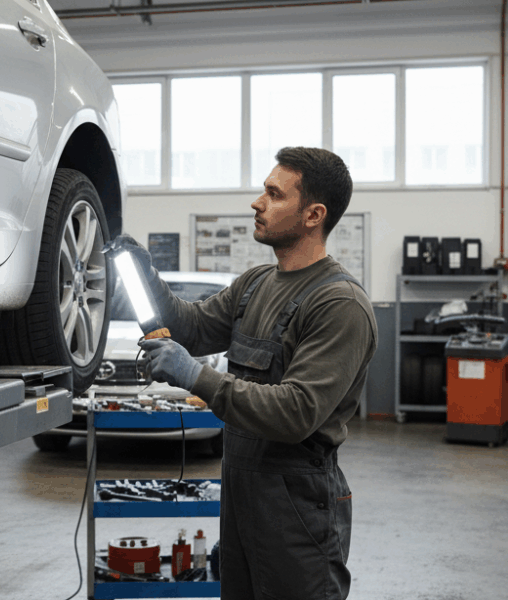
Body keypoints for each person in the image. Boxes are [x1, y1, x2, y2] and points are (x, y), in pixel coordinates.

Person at [117, 147, 377, 600]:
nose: (258, 203)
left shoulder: (339, 304)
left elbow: (295, 413)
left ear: (314, 215)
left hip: (297, 506)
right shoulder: (254, 284)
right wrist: (145, 276)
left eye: (274, 194)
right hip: (241, 494)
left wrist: (195, 376)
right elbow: (191, 327)